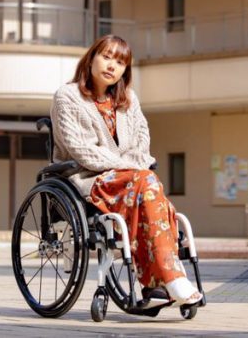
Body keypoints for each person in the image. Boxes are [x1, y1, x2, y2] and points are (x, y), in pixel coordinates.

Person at [49, 34, 203, 306]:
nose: (112, 66)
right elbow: (80, 149)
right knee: (147, 180)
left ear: (125, 70)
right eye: (106, 57)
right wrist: (127, 164)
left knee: (146, 182)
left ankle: (157, 289)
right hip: (87, 178)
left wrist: (131, 166)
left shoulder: (129, 99)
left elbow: (143, 143)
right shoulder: (67, 96)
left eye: (120, 62)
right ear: (92, 57)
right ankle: (171, 278)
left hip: (132, 180)